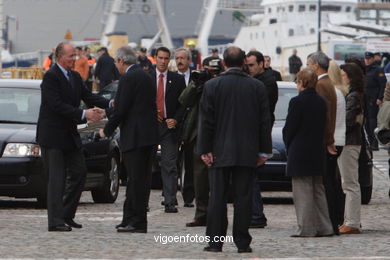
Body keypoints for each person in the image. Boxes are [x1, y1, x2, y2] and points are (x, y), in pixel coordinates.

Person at [198, 46, 272, 253]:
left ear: (223, 63)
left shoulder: (212, 86)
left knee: (217, 198)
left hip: (219, 151)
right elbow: (264, 122)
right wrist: (264, 151)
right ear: (243, 63)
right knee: (243, 198)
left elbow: (206, 121)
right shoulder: (256, 87)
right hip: (247, 151)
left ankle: (215, 241)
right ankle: (242, 241)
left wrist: (204, 149)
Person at [36, 42, 109, 232]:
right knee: (57, 179)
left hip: (69, 135)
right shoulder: (51, 77)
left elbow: (89, 97)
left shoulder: (75, 77)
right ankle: (55, 221)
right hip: (53, 136)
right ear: (60, 57)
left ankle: (67, 215)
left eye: (75, 56)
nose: (74, 59)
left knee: (79, 173)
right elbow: (56, 105)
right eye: (71, 56)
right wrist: (85, 115)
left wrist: (112, 103)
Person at [99, 46, 158, 233]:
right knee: (137, 180)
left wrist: (106, 130)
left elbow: (122, 109)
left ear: (122, 61)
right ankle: (128, 218)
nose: (116, 65)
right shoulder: (146, 76)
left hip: (136, 137)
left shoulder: (127, 79)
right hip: (147, 136)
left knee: (136, 181)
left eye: (117, 62)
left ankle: (137, 222)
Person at [283, 68, 334, 237]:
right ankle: (324, 226)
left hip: (300, 150)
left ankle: (306, 228)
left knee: (302, 192)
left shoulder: (297, 102)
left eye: (298, 81)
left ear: (302, 82)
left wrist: (288, 144)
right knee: (318, 190)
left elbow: (290, 128)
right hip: (316, 150)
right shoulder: (321, 102)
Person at [180, 57, 223, 228]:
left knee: (220, 178)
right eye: (208, 71)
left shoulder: (223, 83)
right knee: (200, 178)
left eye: (214, 72)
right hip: (199, 134)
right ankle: (202, 214)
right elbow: (183, 100)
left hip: (220, 135)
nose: (211, 74)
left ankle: (217, 215)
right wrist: (196, 84)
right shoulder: (199, 83)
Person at [306, 51, 338, 235]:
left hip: (321, 141)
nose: (308, 67)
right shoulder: (328, 83)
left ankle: (326, 224)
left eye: (309, 64)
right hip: (326, 138)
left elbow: (323, 116)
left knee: (324, 185)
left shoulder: (320, 85)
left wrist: (327, 140)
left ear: (316, 65)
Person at [151, 46, 186, 213]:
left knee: (169, 164)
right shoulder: (146, 77)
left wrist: (176, 119)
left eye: (166, 58)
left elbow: (183, 104)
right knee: (146, 164)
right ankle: (142, 201)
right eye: (160, 58)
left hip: (168, 126)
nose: (163, 61)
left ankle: (170, 201)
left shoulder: (177, 80)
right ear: (155, 58)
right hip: (150, 126)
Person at [246, 50, 278, 228]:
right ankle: (253, 213)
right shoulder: (256, 81)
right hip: (254, 134)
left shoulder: (267, 82)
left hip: (258, 135)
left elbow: (260, 110)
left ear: (261, 64)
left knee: (251, 177)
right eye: (247, 65)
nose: (249, 69)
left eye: (251, 65)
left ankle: (257, 215)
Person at [338, 63, 365, 234]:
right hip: (351, 141)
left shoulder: (353, 96)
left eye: (343, 75)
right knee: (347, 183)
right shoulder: (355, 94)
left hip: (349, 142)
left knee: (350, 184)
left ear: (350, 76)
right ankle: (350, 220)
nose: (341, 77)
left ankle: (353, 221)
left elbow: (348, 121)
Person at [327, 60, 347, 228]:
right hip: (338, 139)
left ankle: (334, 217)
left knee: (331, 182)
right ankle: (337, 216)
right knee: (334, 180)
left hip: (333, 140)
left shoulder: (333, 92)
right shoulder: (339, 91)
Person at [175, 47, 195, 207]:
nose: (179, 61)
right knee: (172, 161)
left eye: (182, 58)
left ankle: (189, 196)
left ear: (189, 60)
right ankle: (169, 193)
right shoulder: (172, 78)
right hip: (175, 125)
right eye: (177, 58)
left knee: (190, 162)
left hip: (192, 126)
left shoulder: (196, 77)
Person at [364, 51, 387, 151]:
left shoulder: (378, 69)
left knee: (372, 122)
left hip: (373, 99)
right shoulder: (364, 69)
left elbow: (383, 84)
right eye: (366, 58)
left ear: (373, 58)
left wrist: (380, 97)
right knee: (366, 123)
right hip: (365, 98)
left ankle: (374, 143)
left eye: (369, 58)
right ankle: (370, 141)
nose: (367, 60)